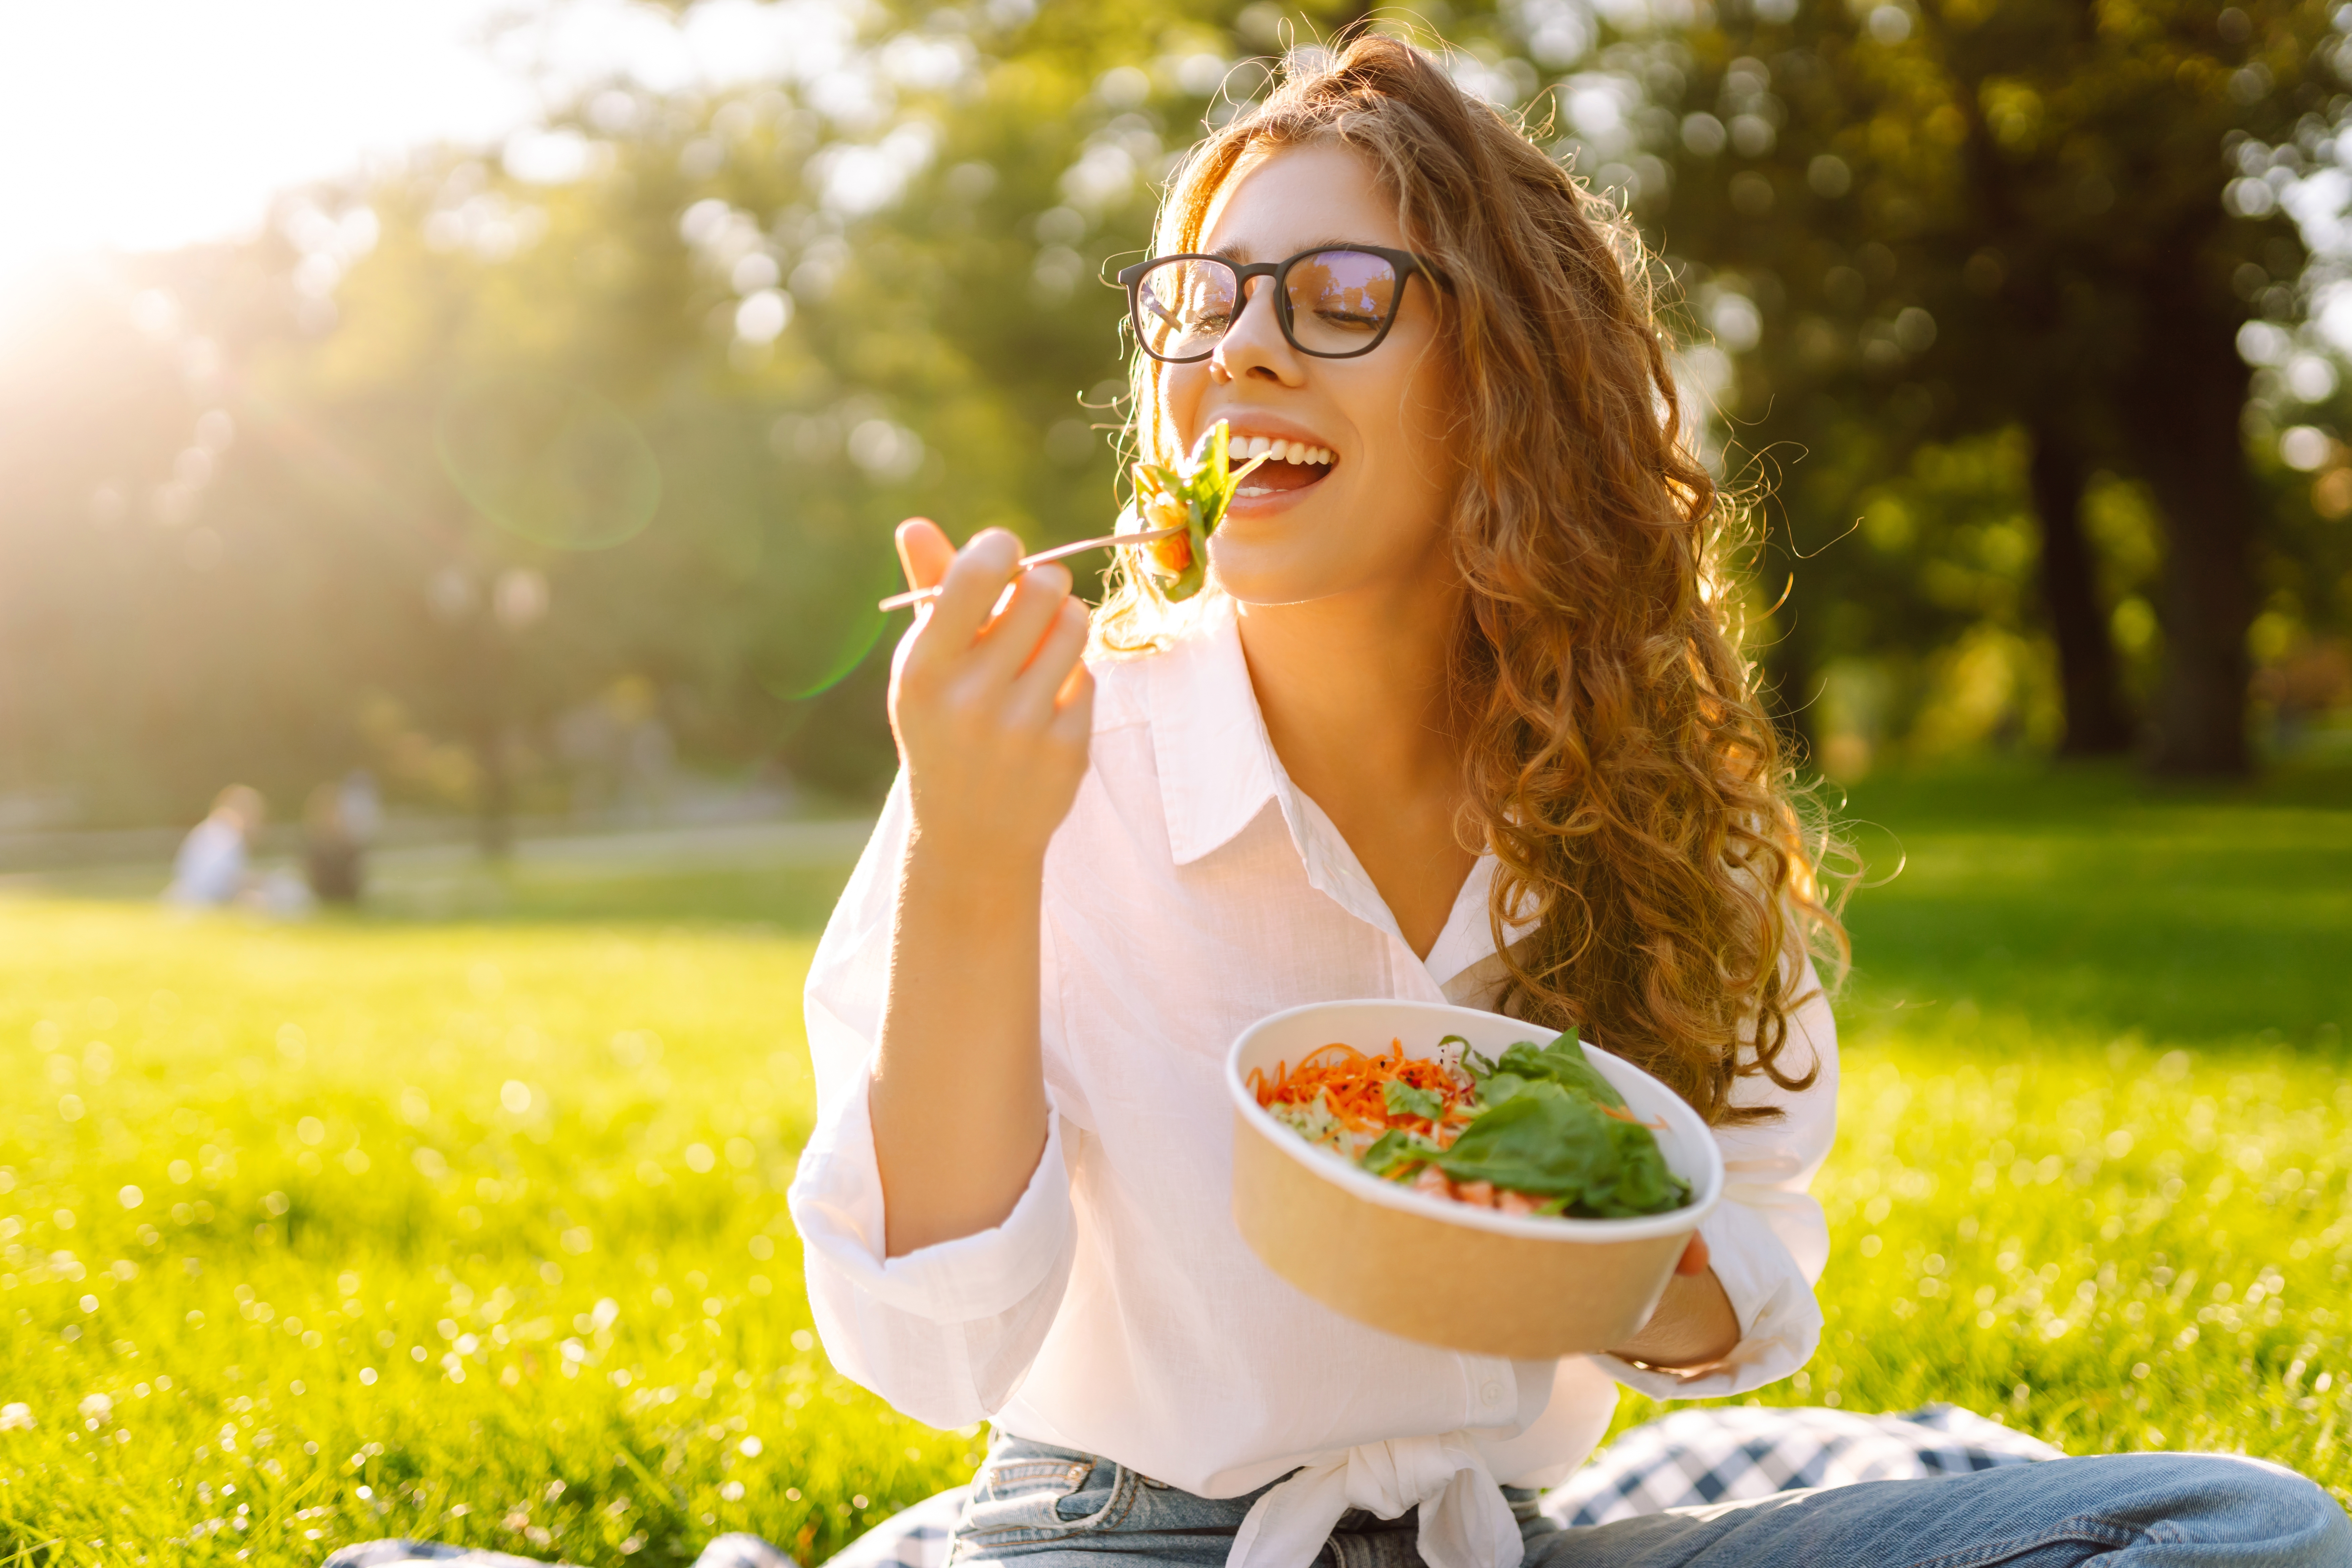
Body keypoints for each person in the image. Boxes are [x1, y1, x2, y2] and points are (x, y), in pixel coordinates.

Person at [786, 36, 2348, 1568]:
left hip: (1494, 1540)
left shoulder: (1636, 786)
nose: (1240, 349)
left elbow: (1745, 1244)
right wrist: (971, 856)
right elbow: (930, 1350)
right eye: (1201, 301)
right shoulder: (1039, 761)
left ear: (1508, 385)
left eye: (1341, 297)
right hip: (1117, 1539)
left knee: (2242, 1530)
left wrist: (1579, 1253)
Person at [164, 783, 264, 906]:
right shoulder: (228, 835)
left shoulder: (211, 828)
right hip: (204, 901)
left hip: (185, 895)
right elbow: (223, 879)